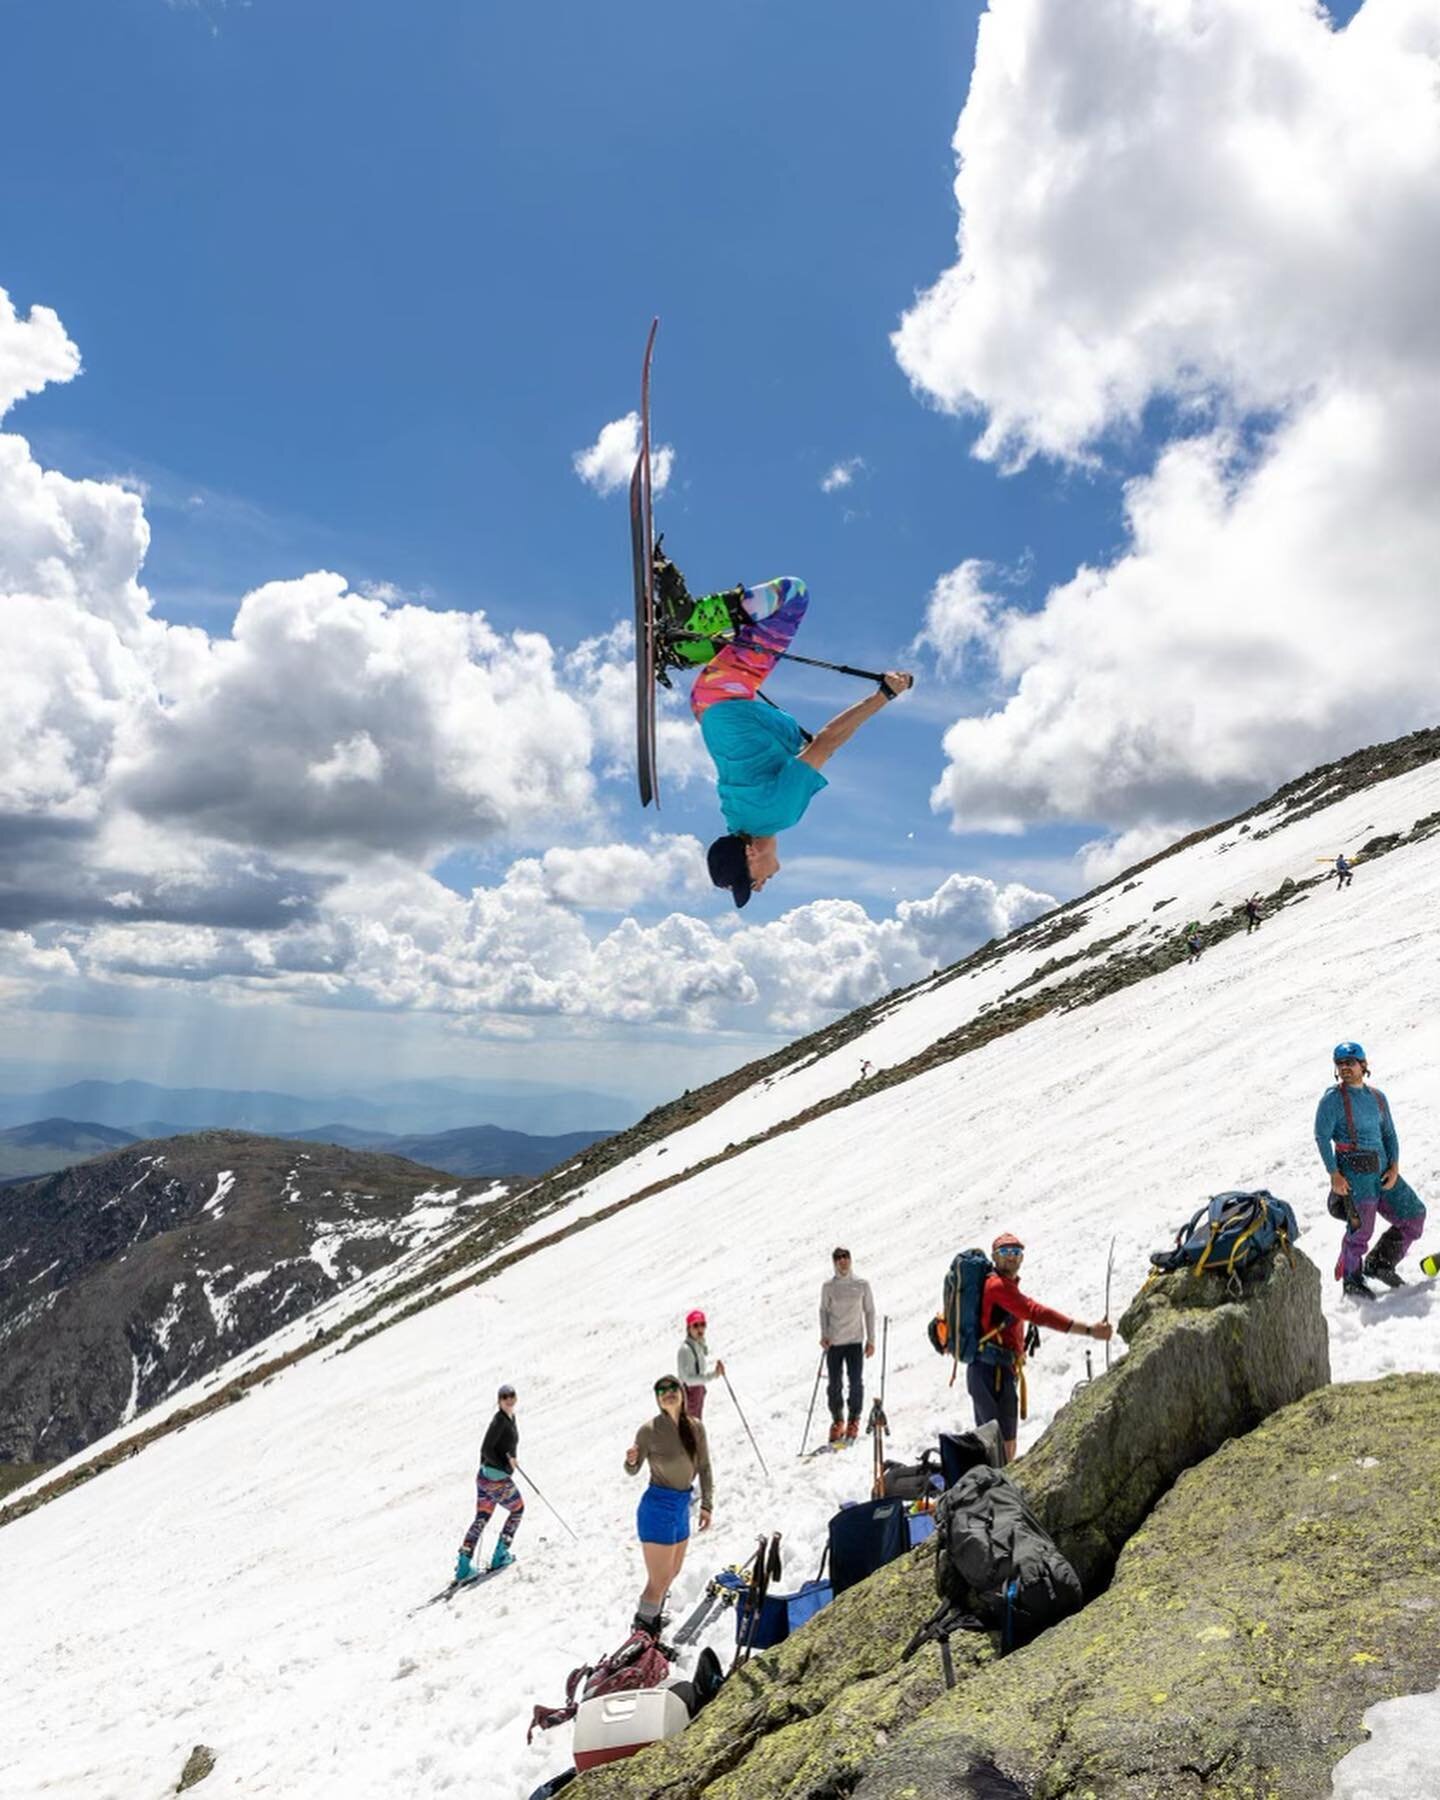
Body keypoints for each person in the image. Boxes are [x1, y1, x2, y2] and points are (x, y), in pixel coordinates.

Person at [681, 569, 914, 908]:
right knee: (754, 633)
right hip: (709, 702)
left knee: (792, 595)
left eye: (749, 880)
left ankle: (691, 619)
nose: (758, 887)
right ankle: (690, 646)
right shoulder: (737, 819)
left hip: (725, 690)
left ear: (750, 852)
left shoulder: (779, 813)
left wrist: (884, 695)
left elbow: (827, 743)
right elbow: (762, 764)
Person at [971, 1233, 1113, 1464]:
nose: (1012, 1258)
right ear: (995, 1256)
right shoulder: (997, 1286)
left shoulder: (1005, 1286)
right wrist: (1089, 1330)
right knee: (996, 1443)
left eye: (1016, 1252)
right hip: (989, 1371)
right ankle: (995, 1493)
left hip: (996, 1370)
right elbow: (1035, 1312)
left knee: (1003, 1441)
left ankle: (998, 1489)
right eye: (1005, 1252)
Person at [1315, 1041, 1426, 1299]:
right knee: (1360, 1231)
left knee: (1414, 1216)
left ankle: (1379, 1264)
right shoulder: (1332, 1100)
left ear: (1363, 1065)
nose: (1345, 1068)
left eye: (1350, 1063)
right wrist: (1334, 1174)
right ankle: (1352, 1282)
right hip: (1355, 1177)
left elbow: (1389, 1133)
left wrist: (1395, 1166)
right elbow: (1322, 1137)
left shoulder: (1377, 1097)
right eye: (1340, 1064)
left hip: (1384, 1172)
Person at [624, 1374, 713, 1636]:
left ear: (682, 1393)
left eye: (672, 1387)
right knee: (658, 1580)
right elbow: (632, 1470)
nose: (668, 1393)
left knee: (672, 1571)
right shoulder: (649, 1431)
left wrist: (707, 1504)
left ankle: (652, 1622)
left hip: (681, 1507)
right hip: (657, 1508)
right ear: (658, 1399)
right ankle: (643, 1632)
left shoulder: (695, 1427)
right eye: (661, 1390)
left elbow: (705, 1467)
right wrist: (631, 1460)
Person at [455, 1382, 524, 1580]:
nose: (509, 1399)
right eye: (505, 1397)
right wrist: (504, 1465)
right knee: (517, 1509)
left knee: (482, 1517)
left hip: (486, 1477)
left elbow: (500, 1446)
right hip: (496, 1478)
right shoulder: (499, 1421)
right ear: (499, 1400)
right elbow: (485, 1449)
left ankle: (463, 1566)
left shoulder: (510, 1418)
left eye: (512, 1395)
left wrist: (509, 1456)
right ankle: (500, 1555)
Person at [818, 1247, 875, 1445]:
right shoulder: (828, 1287)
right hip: (834, 1343)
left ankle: (853, 1420)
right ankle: (837, 1421)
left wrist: (871, 1340)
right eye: (838, 1258)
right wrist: (824, 1335)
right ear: (834, 1262)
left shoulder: (861, 1285)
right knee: (834, 1385)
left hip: (855, 1342)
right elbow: (823, 1311)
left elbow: (869, 1311)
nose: (842, 1261)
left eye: (845, 1258)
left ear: (850, 1260)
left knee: (855, 1382)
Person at [676, 1309, 724, 1418]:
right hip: (689, 1395)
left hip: (697, 1392)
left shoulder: (698, 1344)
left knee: (696, 1426)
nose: (700, 1328)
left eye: (702, 1324)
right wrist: (713, 1375)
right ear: (689, 1328)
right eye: (695, 1325)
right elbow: (687, 1380)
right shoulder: (685, 1350)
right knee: (690, 1428)